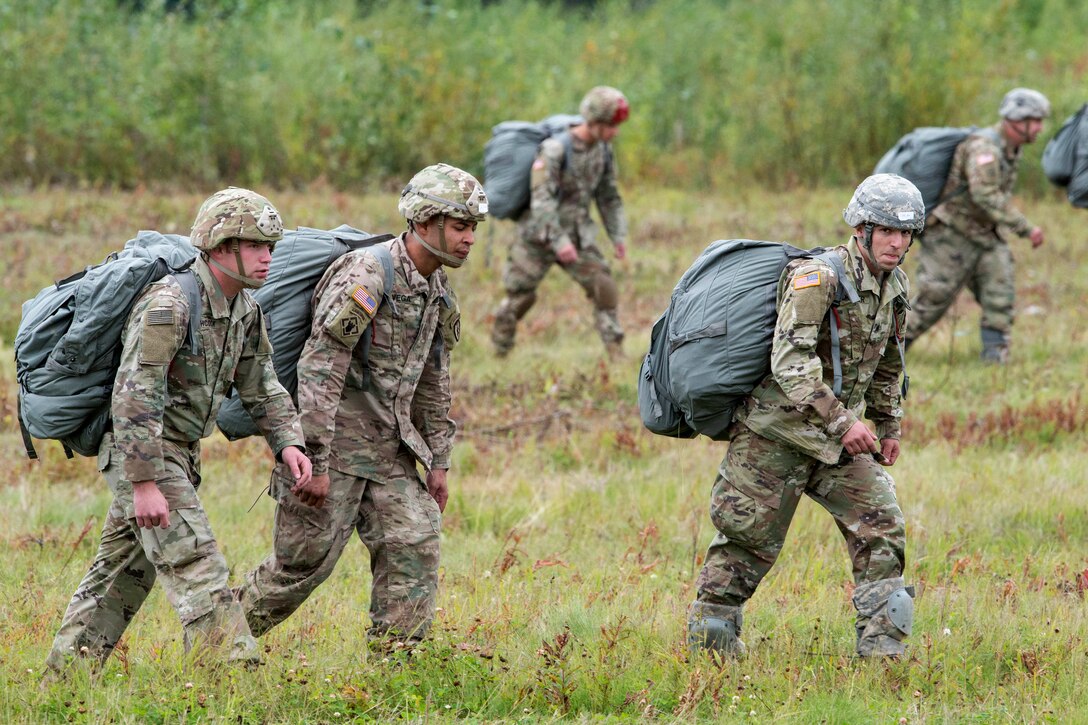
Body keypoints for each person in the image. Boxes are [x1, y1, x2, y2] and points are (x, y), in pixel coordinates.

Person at [44, 188, 311, 675]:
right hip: (141, 451)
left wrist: (288, 440)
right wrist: (144, 483)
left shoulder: (244, 309)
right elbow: (134, 394)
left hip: (180, 452)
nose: (267, 257)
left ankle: (65, 682)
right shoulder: (169, 306)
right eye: (255, 246)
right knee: (196, 561)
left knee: (122, 573)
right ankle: (231, 681)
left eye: (270, 247)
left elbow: (262, 383)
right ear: (221, 247)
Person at [237, 163, 484, 644]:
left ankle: (397, 670)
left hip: (390, 453)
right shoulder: (368, 274)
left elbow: (434, 383)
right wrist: (316, 460)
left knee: (414, 542)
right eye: (460, 226)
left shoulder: (436, 290)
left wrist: (438, 463)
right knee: (299, 571)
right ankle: (215, 641)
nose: (470, 238)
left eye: (473, 227)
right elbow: (320, 369)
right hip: (335, 449)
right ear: (424, 222)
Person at [687, 174, 921, 659]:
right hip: (775, 435)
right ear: (861, 229)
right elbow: (789, 361)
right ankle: (709, 659)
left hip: (839, 443)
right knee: (745, 547)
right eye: (886, 231)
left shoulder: (894, 286)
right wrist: (843, 422)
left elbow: (889, 360)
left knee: (883, 528)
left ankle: (883, 659)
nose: (897, 243)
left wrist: (887, 423)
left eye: (905, 233)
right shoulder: (817, 277)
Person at [906, 87, 1051, 362]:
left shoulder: (1010, 148)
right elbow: (984, 194)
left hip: (985, 235)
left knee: (1000, 295)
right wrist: (1025, 228)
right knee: (932, 300)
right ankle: (886, 354)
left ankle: (995, 360)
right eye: (1037, 121)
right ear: (1019, 122)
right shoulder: (985, 149)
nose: (1040, 129)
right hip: (952, 234)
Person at [491, 85, 630, 359]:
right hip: (538, 236)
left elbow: (608, 196)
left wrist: (618, 235)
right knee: (520, 297)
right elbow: (541, 200)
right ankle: (500, 352)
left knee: (604, 288)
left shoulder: (603, 151)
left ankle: (617, 354)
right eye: (611, 125)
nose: (615, 132)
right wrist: (558, 241)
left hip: (578, 236)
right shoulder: (555, 150)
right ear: (594, 122)